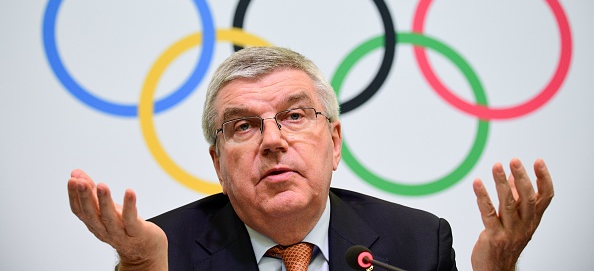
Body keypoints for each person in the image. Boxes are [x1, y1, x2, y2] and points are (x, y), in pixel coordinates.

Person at [67, 46, 554, 271]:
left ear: (336, 142)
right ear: (217, 163)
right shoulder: (163, 249)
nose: (273, 141)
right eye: (243, 126)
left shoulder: (417, 245)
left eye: (294, 116)